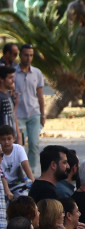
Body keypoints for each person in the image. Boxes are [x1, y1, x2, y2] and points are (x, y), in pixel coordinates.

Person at [13, 44, 45, 173]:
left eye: (31, 55)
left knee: (34, 144)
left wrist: (43, 115)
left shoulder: (37, 72)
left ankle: (31, 171)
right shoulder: (13, 73)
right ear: (20, 55)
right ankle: (18, 172)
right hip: (18, 114)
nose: (28, 58)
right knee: (18, 145)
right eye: (26, 55)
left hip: (34, 113)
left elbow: (40, 95)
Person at [0, 124, 33, 196]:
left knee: (24, 198)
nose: (6, 142)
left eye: (9, 139)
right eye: (3, 139)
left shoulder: (18, 149)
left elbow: (25, 166)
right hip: (2, 185)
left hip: (17, 184)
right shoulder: (0, 151)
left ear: (14, 139)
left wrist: (34, 184)